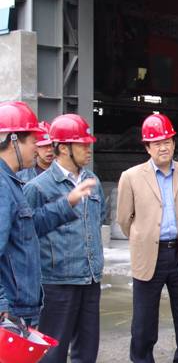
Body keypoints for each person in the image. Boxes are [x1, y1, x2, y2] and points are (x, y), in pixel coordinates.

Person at [0, 101, 95, 329]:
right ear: (13, 140)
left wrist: (67, 203)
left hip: (20, 307)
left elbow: (29, 227)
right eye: (34, 141)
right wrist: (2, 306)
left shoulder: (11, 182)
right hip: (11, 311)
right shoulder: (2, 186)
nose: (38, 148)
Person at [117, 113, 178, 362]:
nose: (163, 147)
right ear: (147, 147)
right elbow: (124, 219)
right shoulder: (131, 177)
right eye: (157, 143)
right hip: (148, 255)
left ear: (174, 143)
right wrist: (143, 236)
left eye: (167, 142)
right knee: (144, 320)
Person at [23, 114, 105, 363]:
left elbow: (98, 218)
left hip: (90, 279)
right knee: (52, 353)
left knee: (87, 350)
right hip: (57, 282)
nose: (88, 149)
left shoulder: (92, 181)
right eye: (82, 144)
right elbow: (28, 233)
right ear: (62, 148)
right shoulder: (38, 188)